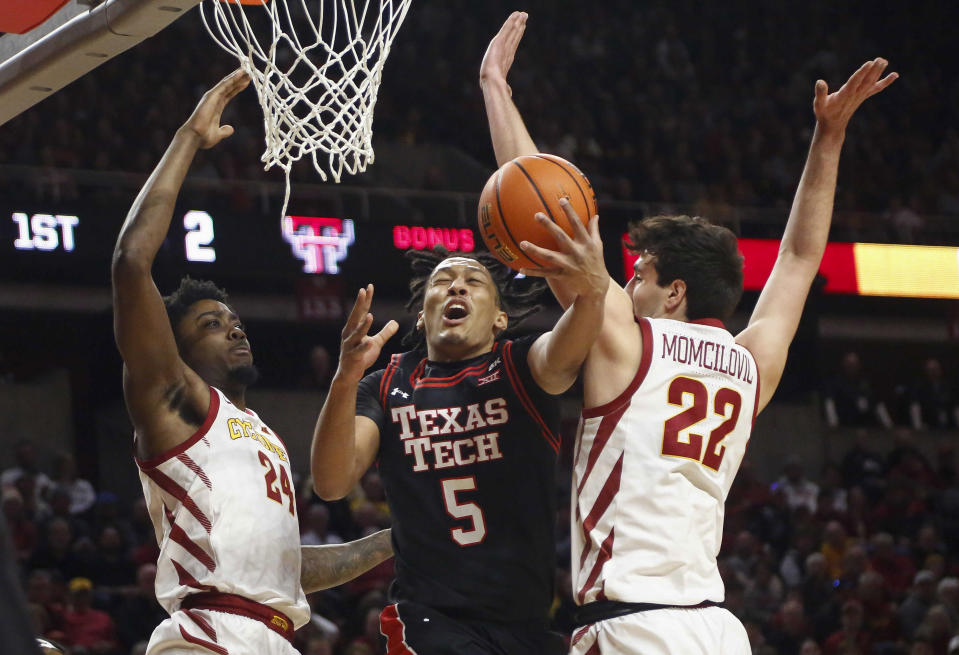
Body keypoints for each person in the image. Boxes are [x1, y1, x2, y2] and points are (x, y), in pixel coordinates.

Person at [480, 11, 897, 654]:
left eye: (638, 274)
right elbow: (799, 259)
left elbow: (541, 209)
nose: (625, 287)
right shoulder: (749, 361)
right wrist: (830, 136)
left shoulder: (628, 340)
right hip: (716, 628)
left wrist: (495, 89)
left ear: (674, 291)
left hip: (633, 627)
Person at [111, 69, 394, 654]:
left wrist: (397, 538)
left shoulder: (261, 433)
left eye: (233, 319)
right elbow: (130, 263)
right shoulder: (175, 399)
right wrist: (190, 135)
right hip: (206, 633)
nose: (233, 327)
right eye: (210, 325)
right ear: (178, 352)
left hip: (271, 637)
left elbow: (286, 567)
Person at [310, 159, 610, 650]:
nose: (455, 286)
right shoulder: (388, 384)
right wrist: (345, 379)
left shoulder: (521, 366)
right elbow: (331, 481)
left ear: (498, 318)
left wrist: (594, 289)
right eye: (442, 283)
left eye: (473, 283)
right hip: (433, 620)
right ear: (424, 316)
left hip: (527, 625)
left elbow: (567, 345)